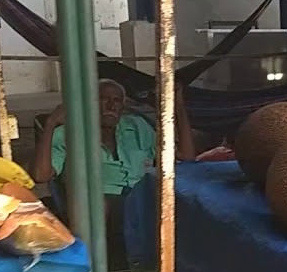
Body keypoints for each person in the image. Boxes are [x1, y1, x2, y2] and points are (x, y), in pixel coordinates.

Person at [32, 78, 194, 255]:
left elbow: (186, 157)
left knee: (182, 202)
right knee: (99, 206)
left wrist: (178, 106)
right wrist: (50, 124)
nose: (111, 106)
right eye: (103, 99)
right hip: (97, 203)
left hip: (138, 199)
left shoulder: (137, 127)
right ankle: (92, 264)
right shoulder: (67, 133)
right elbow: (40, 175)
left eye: (116, 101)